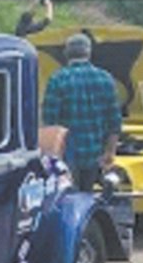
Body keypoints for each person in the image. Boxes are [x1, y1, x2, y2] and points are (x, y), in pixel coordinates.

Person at [42, 33, 122, 191]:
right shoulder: (105, 79)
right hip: (95, 156)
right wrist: (110, 151)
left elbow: (49, 122)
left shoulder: (58, 79)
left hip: (66, 158)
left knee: (68, 200)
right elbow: (114, 121)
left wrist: (50, 159)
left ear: (66, 53)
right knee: (87, 198)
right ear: (89, 52)